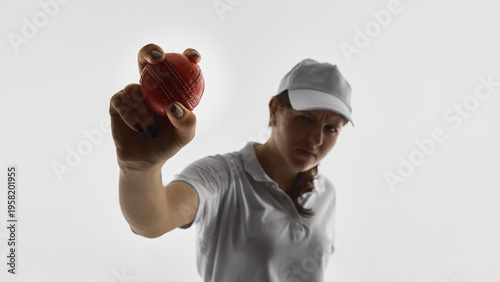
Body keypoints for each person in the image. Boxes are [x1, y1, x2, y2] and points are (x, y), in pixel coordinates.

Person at [109, 43, 354, 282]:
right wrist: (139, 168)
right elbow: (151, 221)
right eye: (304, 119)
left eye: (331, 128)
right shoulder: (222, 176)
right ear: (274, 110)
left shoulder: (326, 192)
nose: (316, 139)